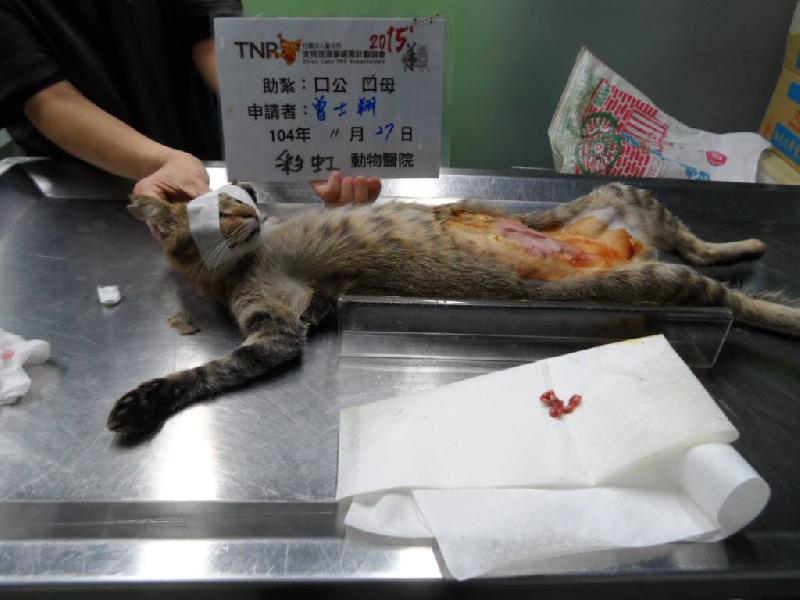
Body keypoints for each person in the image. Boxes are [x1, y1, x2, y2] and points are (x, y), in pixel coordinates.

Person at [0, 0, 381, 206]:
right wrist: (160, 162)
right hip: (80, 186)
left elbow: (212, 39)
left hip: (201, 159)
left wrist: (296, 138)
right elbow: (46, 96)